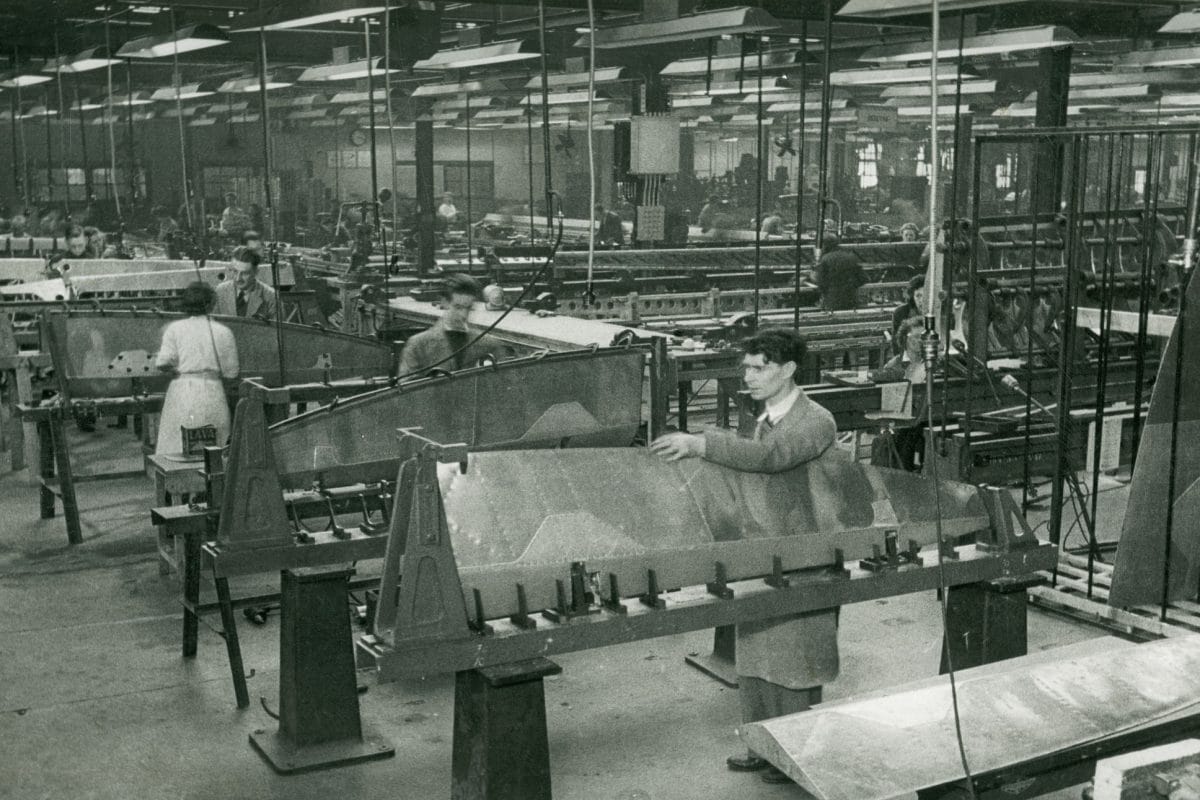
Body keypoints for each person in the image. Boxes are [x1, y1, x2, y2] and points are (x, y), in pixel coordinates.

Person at [649, 329, 840, 785]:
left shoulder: (816, 420)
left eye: (759, 368)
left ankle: (794, 756)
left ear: (788, 369)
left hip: (804, 553)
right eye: (746, 368)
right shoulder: (764, 418)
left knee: (794, 661)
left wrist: (703, 443)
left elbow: (772, 457)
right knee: (755, 657)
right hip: (764, 549)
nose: (748, 377)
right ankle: (762, 746)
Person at [154, 281, 240, 456]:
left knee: (177, 448)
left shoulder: (174, 329)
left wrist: (179, 371)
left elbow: (162, 363)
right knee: (215, 450)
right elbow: (232, 372)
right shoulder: (223, 331)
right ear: (211, 304)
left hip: (181, 393)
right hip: (213, 392)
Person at [399, 273, 481, 377]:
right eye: (458, 307)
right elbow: (407, 386)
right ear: (444, 302)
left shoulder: (486, 343)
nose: (464, 315)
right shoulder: (418, 345)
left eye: (469, 308)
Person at [214, 247, 277, 320]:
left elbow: (278, 327)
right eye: (235, 271)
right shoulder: (220, 291)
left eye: (245, 273)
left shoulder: (271, 297)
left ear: (256, 272)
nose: (238, 279)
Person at [813, 234, 866, 311]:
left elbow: (820, 282)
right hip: (851, 300)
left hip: (832, 301)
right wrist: (850, 286)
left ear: (825, 246)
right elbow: (864, 278)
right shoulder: (851, 257)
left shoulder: (825, 259)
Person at [891, 274, 926, 354]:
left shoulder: (940, 312)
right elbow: (896, 345)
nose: (922, 300)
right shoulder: (901, 313)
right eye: (918, 296)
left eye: (925, 296)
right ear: (912, 297)